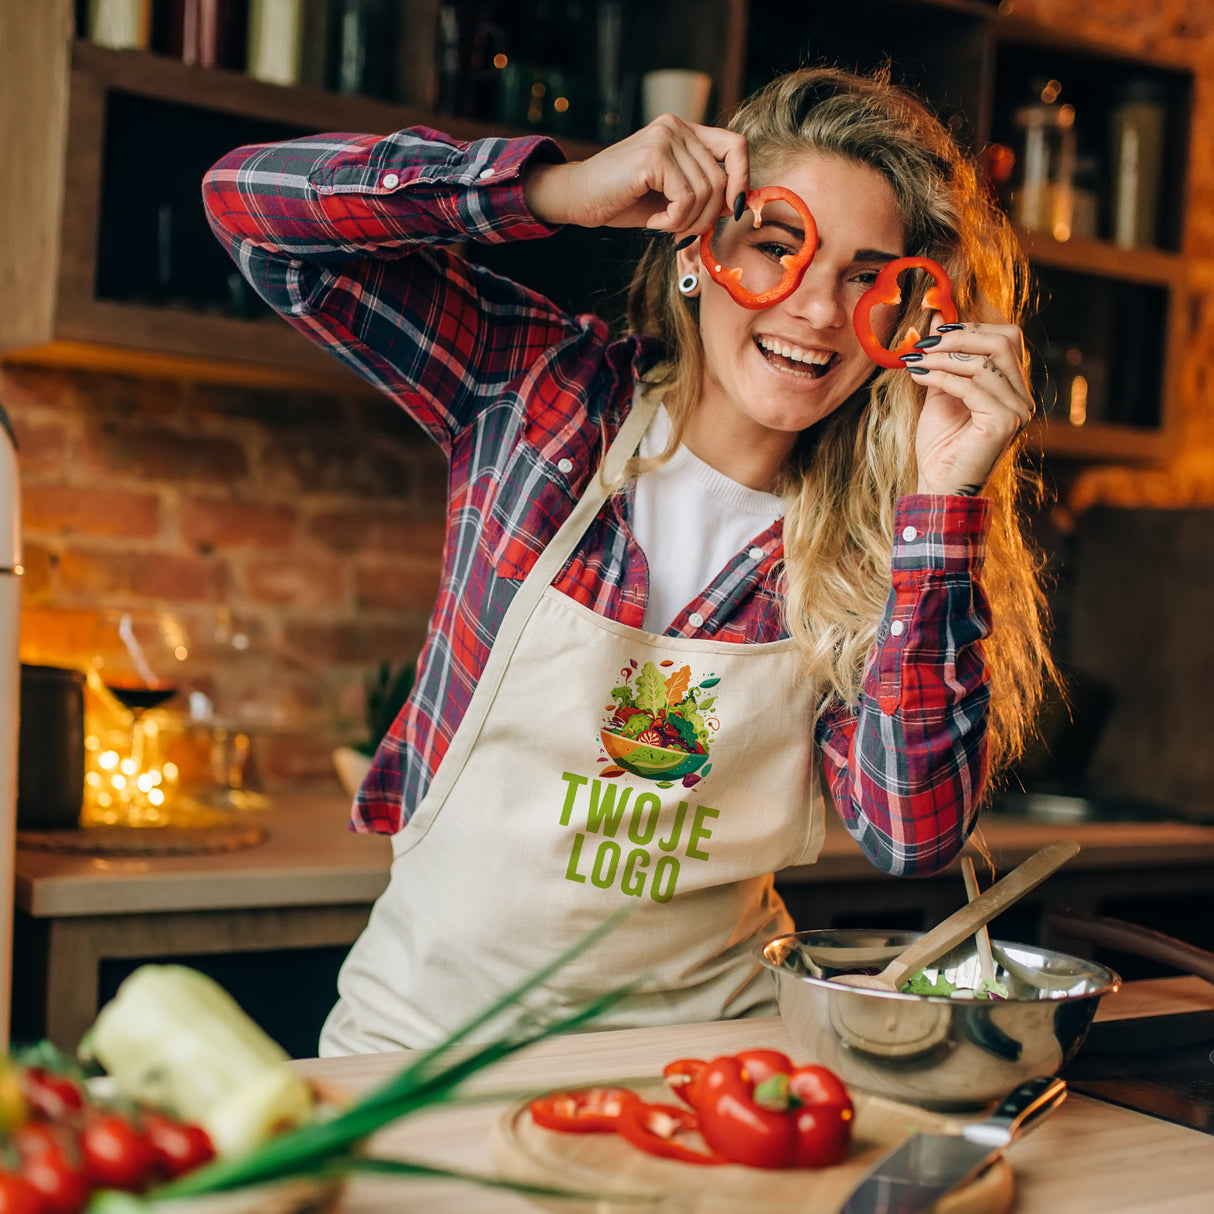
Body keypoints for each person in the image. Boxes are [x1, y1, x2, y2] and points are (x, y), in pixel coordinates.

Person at [204, 65, 1051, 1055]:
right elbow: (249, 209)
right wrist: (551, 190)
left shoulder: (872, 549)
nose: (819, 310)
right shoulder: (538, 394)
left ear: (903, 319)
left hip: (699, 1070)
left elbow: (912, 835)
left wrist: (942, 505)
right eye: (777, 246)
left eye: (865, 277)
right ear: (698, 251)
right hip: (414, 1047)